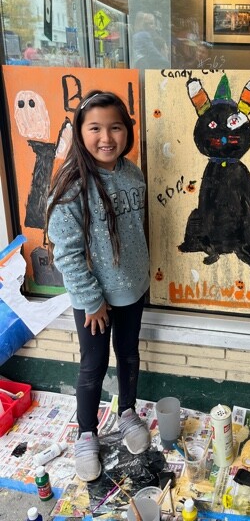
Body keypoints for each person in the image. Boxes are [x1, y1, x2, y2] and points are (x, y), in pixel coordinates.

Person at [46, 91, 150, 482]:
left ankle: (127, 411)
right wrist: (92, 301)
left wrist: (142, 277)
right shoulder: (72, 185)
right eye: (95, 128)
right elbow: (67, 255)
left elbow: (136, 232)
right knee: (93, 366)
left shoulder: (132, 172)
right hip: (95, 301)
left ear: (127, 132)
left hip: (133, 290)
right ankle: (86, 433)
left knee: (129, 355)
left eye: (115, 127)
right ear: (80, 132)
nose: (106, 137)